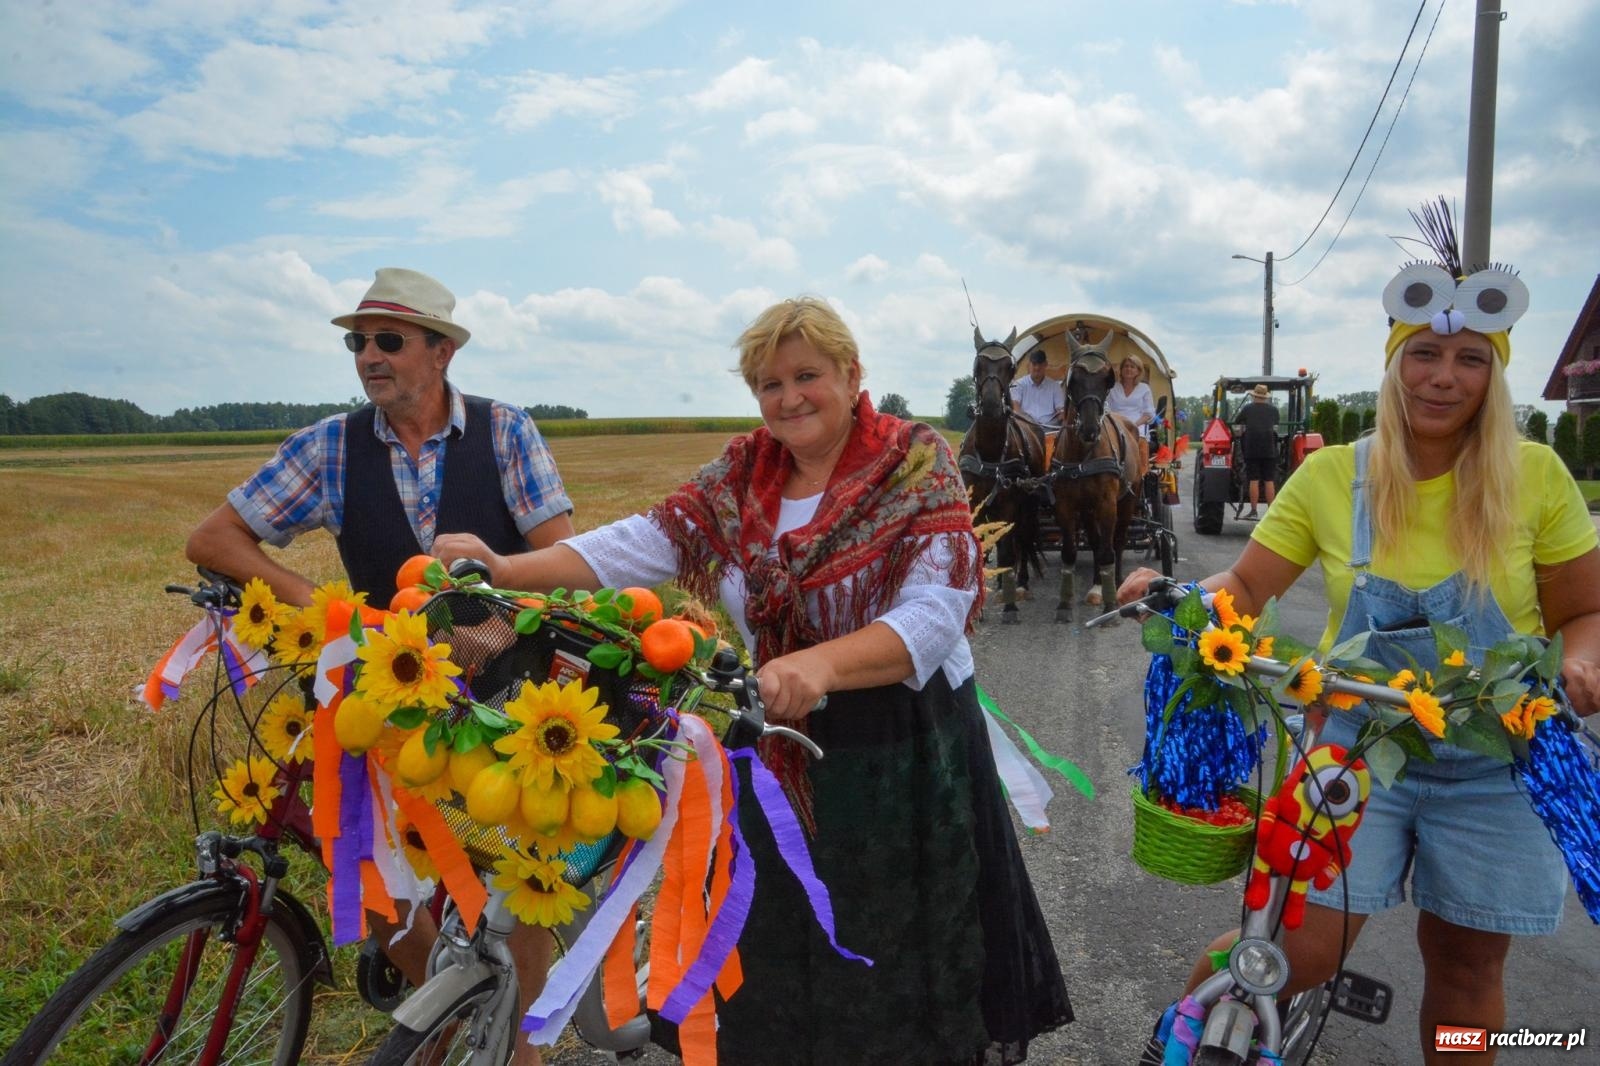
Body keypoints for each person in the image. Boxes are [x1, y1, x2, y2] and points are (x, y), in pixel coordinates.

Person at [437, 296, 1072, 1064]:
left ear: (852, 373)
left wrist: (821, 663)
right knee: (771, 951)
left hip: (900, 752)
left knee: (893, 950)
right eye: (769, 385)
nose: (788, 397)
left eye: (807, 375)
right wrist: (510, 571)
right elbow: (643, 541)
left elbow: (936, 618)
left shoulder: (913, 462)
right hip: (770, 738)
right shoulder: (743, 474)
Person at [1121, 255, 1600, 1065]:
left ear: (1493, 374)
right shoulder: (1331, 476)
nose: (1443, 377)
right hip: (1354, 752)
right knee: (1291, 950)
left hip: (1499, 764)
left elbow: (1583, 613)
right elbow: (1243, 584)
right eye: (1425, 354)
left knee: (1467, 968)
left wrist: (1584, 661)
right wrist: (1183, 599)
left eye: (1469, 359)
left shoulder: (1535, 477)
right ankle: (1181, 1036)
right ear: (1394, 362)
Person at [186, 267, 575, 1065]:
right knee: (358, 862)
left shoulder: (506, 433)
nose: (369, 355)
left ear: (440, 353)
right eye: (357, 341)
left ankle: (521, 1046)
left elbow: (563, 566)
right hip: (381, 691)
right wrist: (329, 610)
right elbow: (214, 539)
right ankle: (443, 1003)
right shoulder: (329, 446)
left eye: (387, 340)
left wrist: (496, 584)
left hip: (503, 689)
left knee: (519, 873)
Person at [1233, 382, 1279, 519]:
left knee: (1254, 479)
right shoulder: (1273, 410)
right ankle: (1271, 511)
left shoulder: (1247, 409)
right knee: (1269, 480)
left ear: (1254, 396)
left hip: (1252, 448)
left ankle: (1253, 510)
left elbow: (1237, 421)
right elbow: (1276, 423)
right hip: (1269, 448)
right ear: (1265, 397)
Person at [1106, 354, 1157, 477]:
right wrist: (1117, 423)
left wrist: (1133, 425)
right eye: (1126, 366)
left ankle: (1142, 474)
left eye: (1132, 367)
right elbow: (1106, 408)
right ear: (1121, 370)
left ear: (1138, 371)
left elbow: (1149, 413)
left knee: (1140, 441)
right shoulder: (1112, 388)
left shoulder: (1144, 388)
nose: (1129, 369)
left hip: (1137, 425)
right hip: (1115, 424)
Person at [1010, 348, 1063, 428]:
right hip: (1027, 428)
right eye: (1034, 364)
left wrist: (1063, 416)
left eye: (1040, 364)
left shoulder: (1055, 386)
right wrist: (1025, 422)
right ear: (1029, 365)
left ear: (1046, 364)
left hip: (1050, 428)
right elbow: (1015, 406)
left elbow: (1061, 409)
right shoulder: (1019, 384)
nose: (1037, 368)